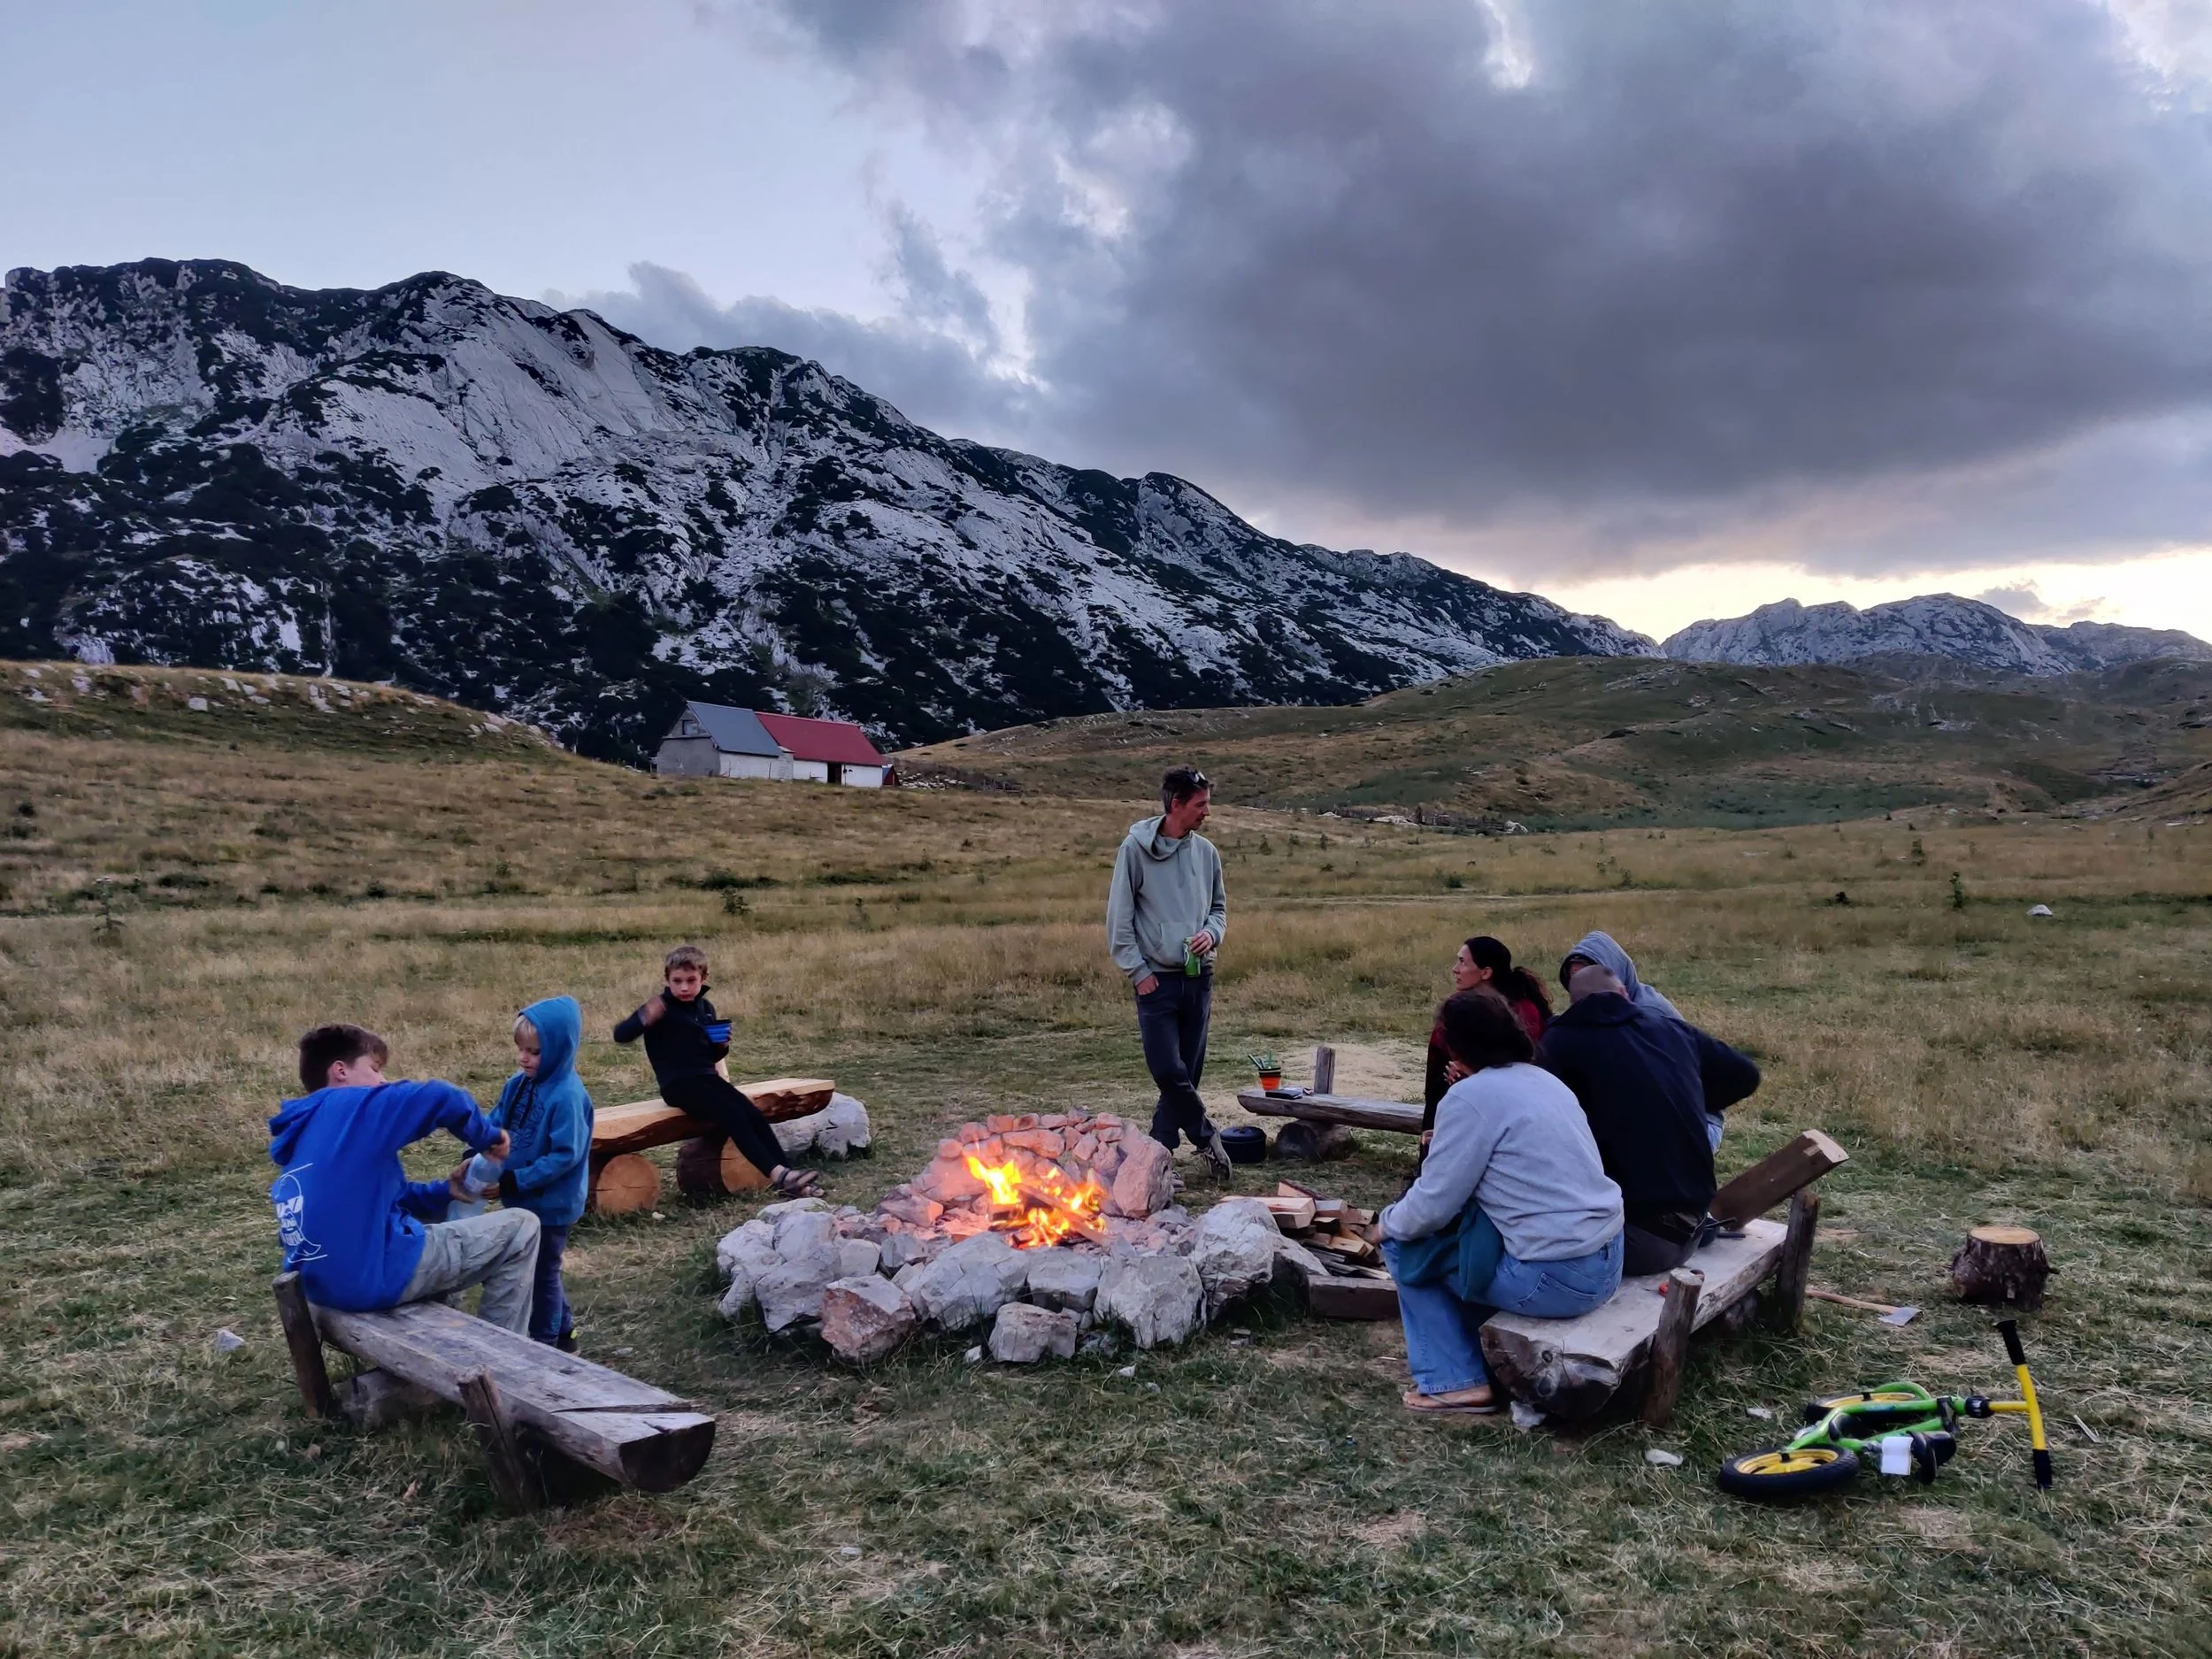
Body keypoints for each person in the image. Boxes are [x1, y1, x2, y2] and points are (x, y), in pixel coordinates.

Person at [1379, 990, 1624, 1416]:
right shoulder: (1544, 1081)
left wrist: (1383, 1223)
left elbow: (1430, 1208)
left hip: (1557, 1278)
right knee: (1465, 1237)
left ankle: (1454, 1382)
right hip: (1608, 1259)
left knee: (1405, 1245)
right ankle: (1473, 1352)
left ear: (1455, 1047)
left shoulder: (1469, 1097)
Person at [268, 1023, 538, 1331]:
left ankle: (444, 1336)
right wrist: (490, 1137)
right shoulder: (351, 1105)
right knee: (522, 1228)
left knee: (431, 1227)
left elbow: (371, 1200)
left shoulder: (305, 1131)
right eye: (375, 1068)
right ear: (340, 1071)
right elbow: (442, 1098)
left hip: (320, 1285)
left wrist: (443, 1192)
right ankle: (500, 1351)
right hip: (367, 1279)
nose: (383, 1080)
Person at [1534, 965, 1762, 1277]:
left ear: (1573, 1003)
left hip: (1635, 1238)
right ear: (1624, 993)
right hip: (1695, 1226)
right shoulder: (1671, 1028)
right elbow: (1746, 1075)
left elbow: (1539, 1128)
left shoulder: (1559, 1042)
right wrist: (1687, 1100)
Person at [614, 944, 823, 1199]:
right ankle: (779, 1175)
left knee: (752, 1113)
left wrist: (721, 1046)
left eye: (691, 981)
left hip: (707, 1079)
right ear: (667, 979)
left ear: (703, 978)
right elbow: (620, 1035)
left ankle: (792, 1181)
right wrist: (643, 1018)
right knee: (733, 1114)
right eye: (677, 981)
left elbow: (710, 1057)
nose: (683, 987)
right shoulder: (661, 1007)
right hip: (678, 1084)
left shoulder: (705, 1008)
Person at [1106, 765, 1232, 1181]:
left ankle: (1159, 1155)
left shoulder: (1206, 852)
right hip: (1155, 980)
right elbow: (1119, 919)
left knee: (1186, 1075)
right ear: (1176, 804)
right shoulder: (1134, 850)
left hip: (1199, 977)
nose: (1207, 812)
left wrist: (1211, 934)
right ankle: (1206, 1135)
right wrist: (1138, 971)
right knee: (1167, 1070)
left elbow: (1218, 909)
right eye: (1200, 805)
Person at [488, 997, 593, 1351]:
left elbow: (565, 1156)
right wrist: (477, 1148)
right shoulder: (518, 1085)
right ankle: (564, 1333)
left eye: (534, 1052)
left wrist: (514, 1180)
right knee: (537, 1268)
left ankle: (546, 1345)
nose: (524, 1058)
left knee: (541, 1272)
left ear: (560, 1050)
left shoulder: (568, 1097)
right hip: (521, 1198)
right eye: (521, 1049)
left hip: (551, 1205)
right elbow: (495, 1122)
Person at [1556, 930, 1721, 1146]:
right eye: (1575, 978)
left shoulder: (1649, 1018)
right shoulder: (1602, 1017)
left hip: (1693, 1121)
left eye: (1590, 976)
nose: (1582, 987)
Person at [1423, 936, 1554, 1136]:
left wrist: (1471, 1071)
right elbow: (1437, 1057)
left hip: (1506, 1103)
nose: (1455, 969)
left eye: (1463, 962)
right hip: (1452, 1093)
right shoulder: (1458, 1005)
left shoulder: (1523, 1010)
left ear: (1486, 972)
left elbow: (1526, 1062)